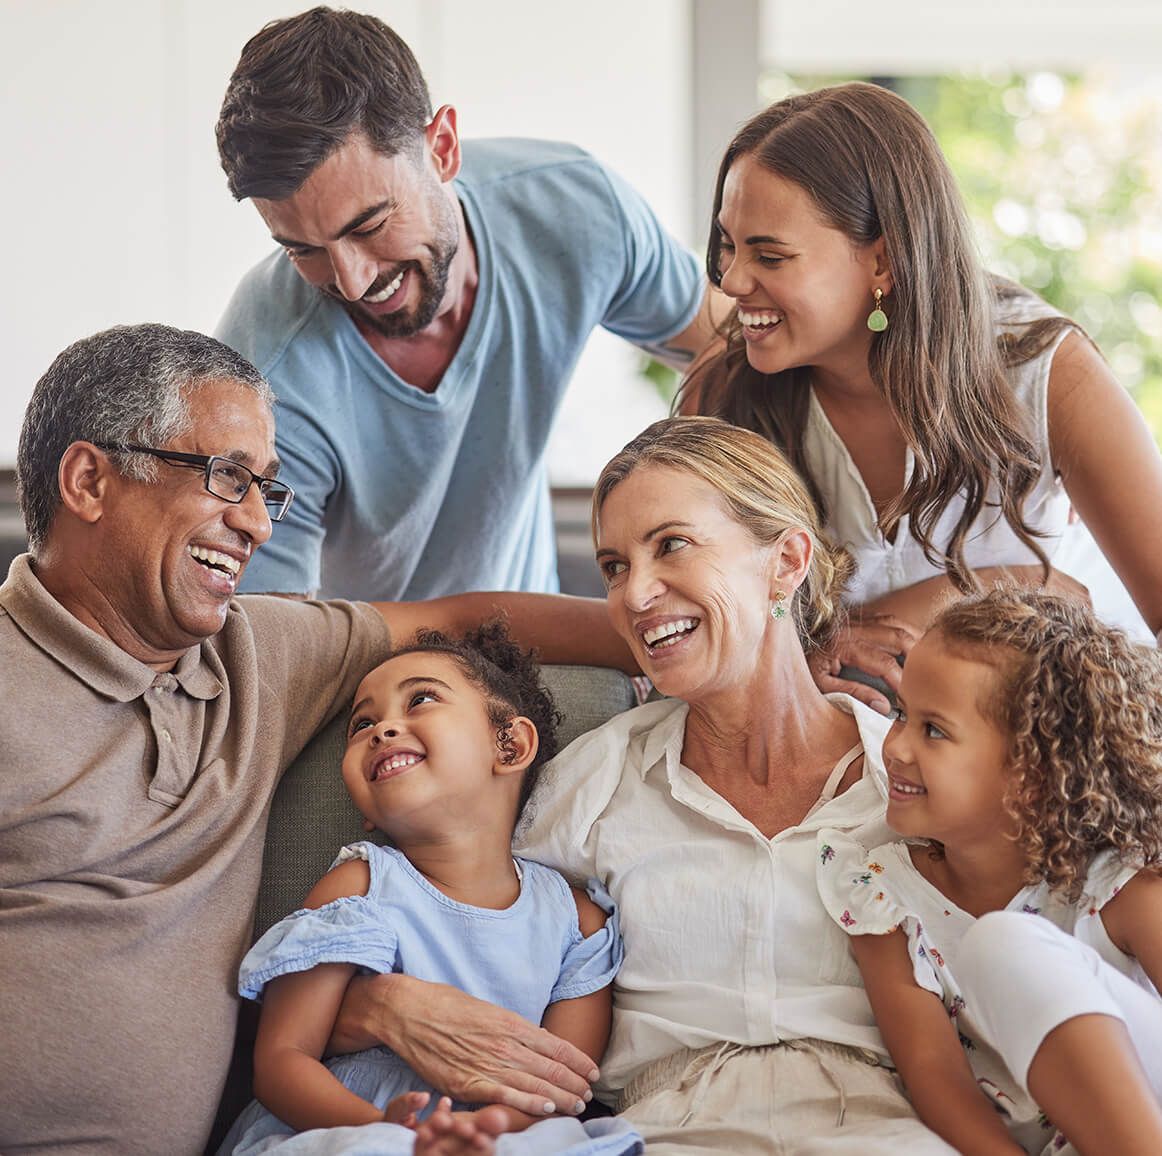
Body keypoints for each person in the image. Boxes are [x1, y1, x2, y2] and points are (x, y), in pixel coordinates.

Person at [0, 323, 634, 1156]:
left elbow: (458, 620)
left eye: (268, 488)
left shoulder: (258, 651)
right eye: (229, 477)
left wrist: (732, 644)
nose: (259, 524)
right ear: (90, 480)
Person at [331, 416, 956, 1153]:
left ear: (786, 561)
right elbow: (465, 947)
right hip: (659, 1136)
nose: (635, 595)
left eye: (672, 545)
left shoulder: (917, 779)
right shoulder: (591, 786)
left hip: (889, 1131)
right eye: (615, 567)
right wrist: (375, 1003)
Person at [680, 81, 1162, 712]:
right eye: (728, 245)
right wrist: (1004, 583)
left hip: (1045, 731)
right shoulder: (729, 391)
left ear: (883, 261)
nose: (732, 280)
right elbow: (699, 613)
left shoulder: (1046, 374)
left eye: (770, 255)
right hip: (843, 740)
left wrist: (954, 598)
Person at [214, 6, 721, 603]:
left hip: (541, 656)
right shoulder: (265, 372)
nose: (351, 282)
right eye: (302, 250)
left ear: (443, 147)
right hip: (362, 680)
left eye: (371, 224)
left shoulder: (574, 209)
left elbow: (738, 351)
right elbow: (277, 644)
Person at [220, 623, 639, 1156]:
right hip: (356, 1128)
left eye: (420, 699)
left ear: (509, 745)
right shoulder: (359, 887)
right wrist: (387, 1129)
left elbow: (561, 1079)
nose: (382, 730)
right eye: (363, 723)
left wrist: (481, 1133)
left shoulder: (578, 921)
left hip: (507, 1136)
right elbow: (281, 1064)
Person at [817, 588, 1162, 1155]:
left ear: (1031, 773)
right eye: (902, 714)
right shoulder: (880, 889)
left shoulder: (1118, 874)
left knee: (1001, 944)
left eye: (933, 730)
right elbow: (936, 1079)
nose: (896, 746)